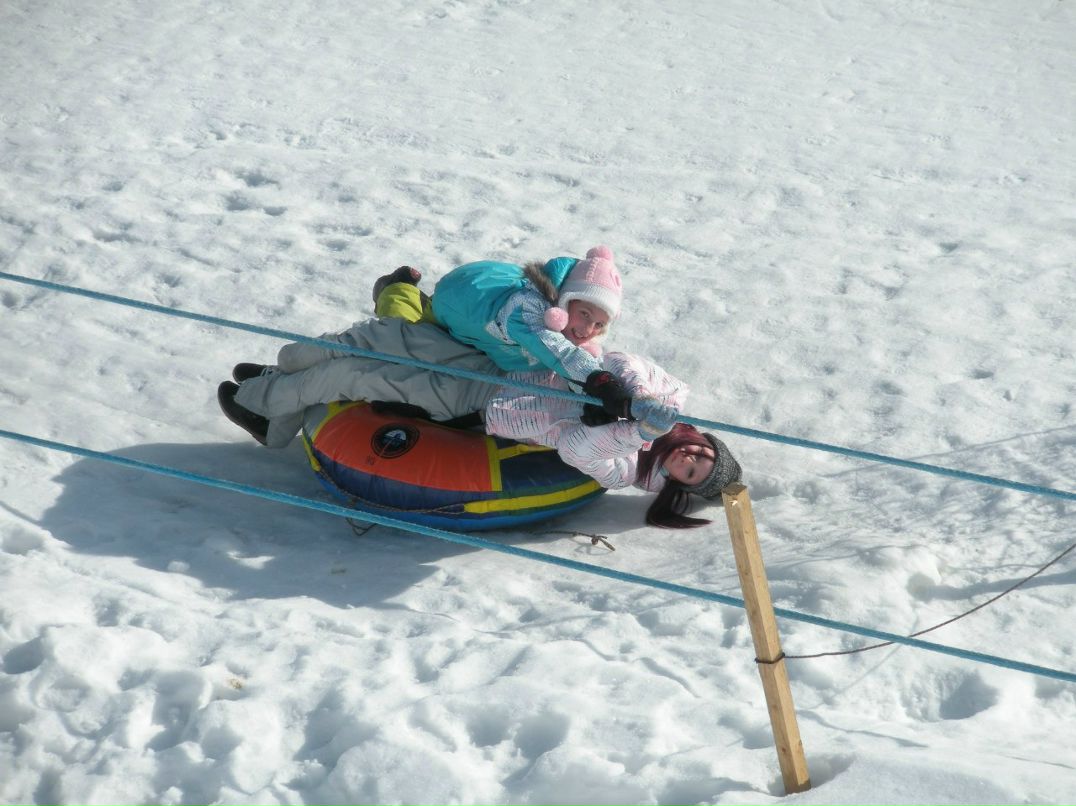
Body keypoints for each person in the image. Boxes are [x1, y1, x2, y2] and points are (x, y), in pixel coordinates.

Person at [217, 269, 742, 528]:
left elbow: (578, 449)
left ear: (673, 485)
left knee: (354, 375)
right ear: (701, 439)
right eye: (703, 455)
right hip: (511, 364)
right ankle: (272, 379)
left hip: (482, 403)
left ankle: (266, 414)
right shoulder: (672, 396)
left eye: (690, 474)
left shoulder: (623, 469)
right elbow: (624, 362)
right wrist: (636, 399)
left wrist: (634, 431)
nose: (690, 461)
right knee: (371, 341)